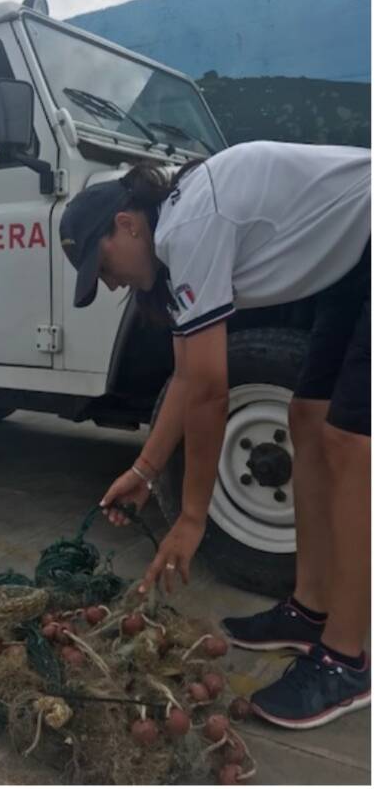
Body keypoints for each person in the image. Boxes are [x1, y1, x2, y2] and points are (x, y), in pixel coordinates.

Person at [60, 141, 370, 729]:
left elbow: (210, 390)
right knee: (307, 419)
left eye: (102, 266)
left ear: (126, 225)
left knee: (352, 442)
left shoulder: (190, 223)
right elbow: (186, 375)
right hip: (355, 263)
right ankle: (309, 610)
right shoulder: (180, 237)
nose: (108, 284)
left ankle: (347, 662)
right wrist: (145, 471)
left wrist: (193, 518)